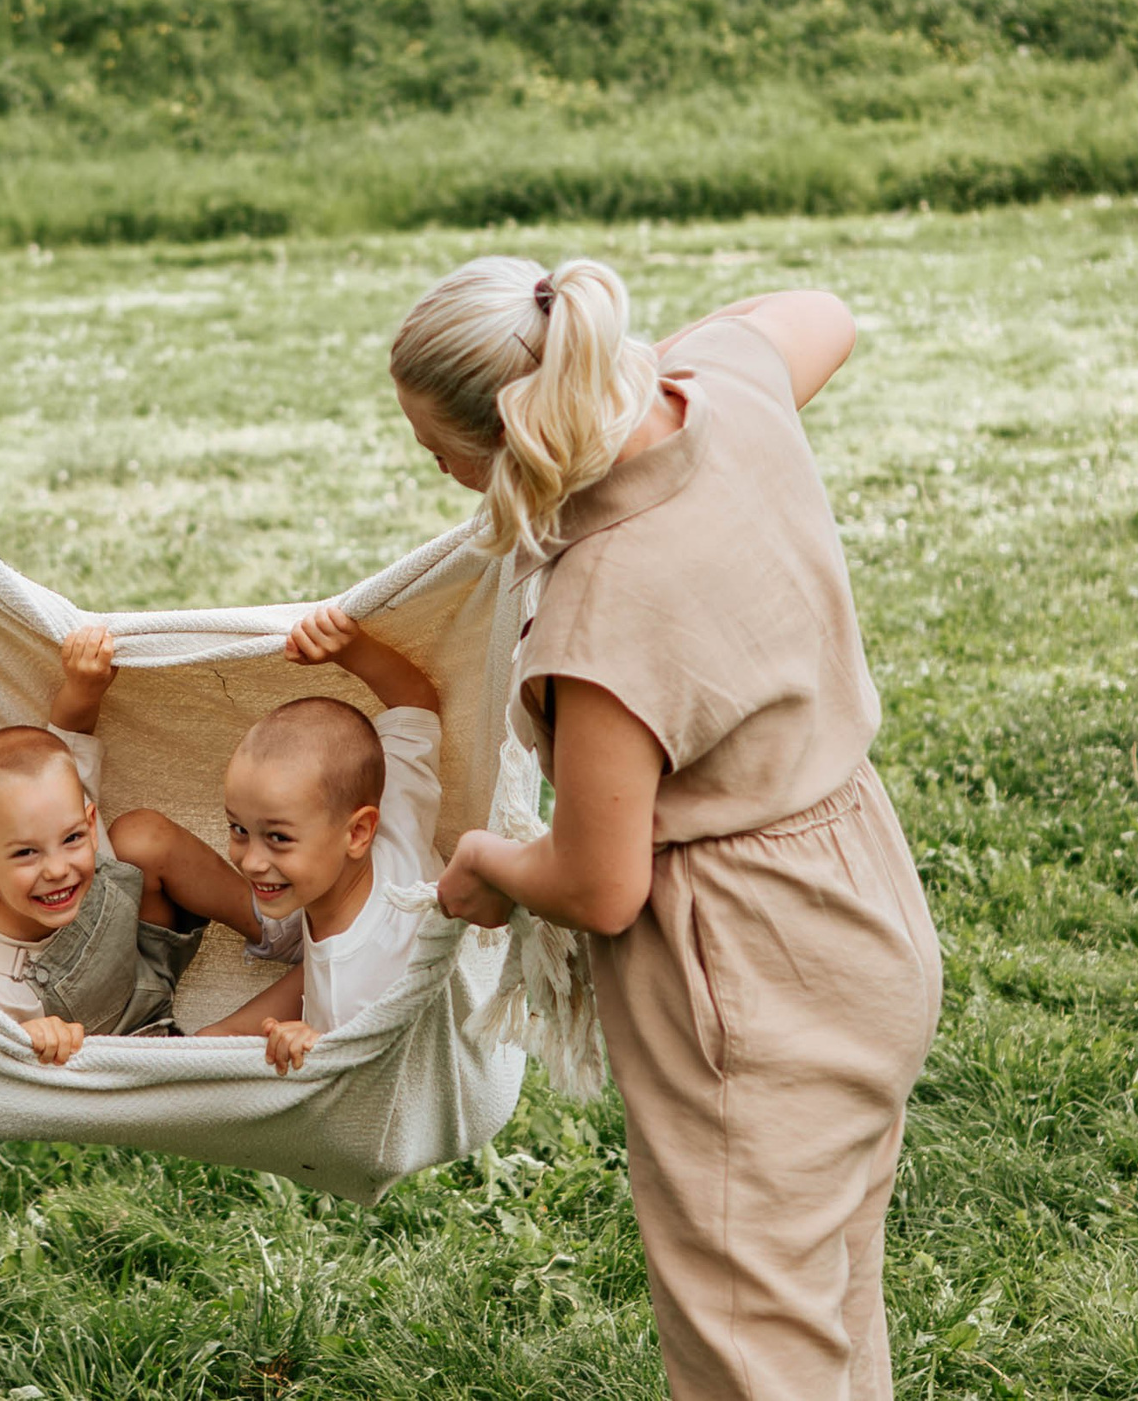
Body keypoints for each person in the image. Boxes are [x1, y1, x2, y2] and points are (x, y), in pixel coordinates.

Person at [399, 256, 941, 1401]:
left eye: (437, 454)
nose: (433, 472)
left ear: (508, 435)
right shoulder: (725, 389)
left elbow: (601, 886)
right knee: (828, 1293)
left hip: (744, 978)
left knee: (750, 1352)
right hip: (864, 903)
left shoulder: (601, 612)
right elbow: (821, 314)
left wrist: (484, 862)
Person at [0, 627, 277, 1065]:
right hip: (132, 1036)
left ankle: (270, 927)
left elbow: (68, 734)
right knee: (220, 1039)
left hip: (141, 947)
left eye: (72, 839)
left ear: (87, 820)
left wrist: (84, 687)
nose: (57, 869)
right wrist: (30, 1035)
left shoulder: (58, 805)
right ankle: (323, 976)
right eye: (26, 853)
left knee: (139, 834)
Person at [208, 605, 445, 1075]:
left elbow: (381, 1077)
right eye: (239, 830)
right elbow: (415, 700)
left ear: (358, 831)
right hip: (324, 961)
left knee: (207, 1054)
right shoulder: (391, 806)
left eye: (277, 838)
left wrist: (320, 1042)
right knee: (209, 1044)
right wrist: (353, 649)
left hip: (372, 1038)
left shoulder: (349, 985)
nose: (252, 861)